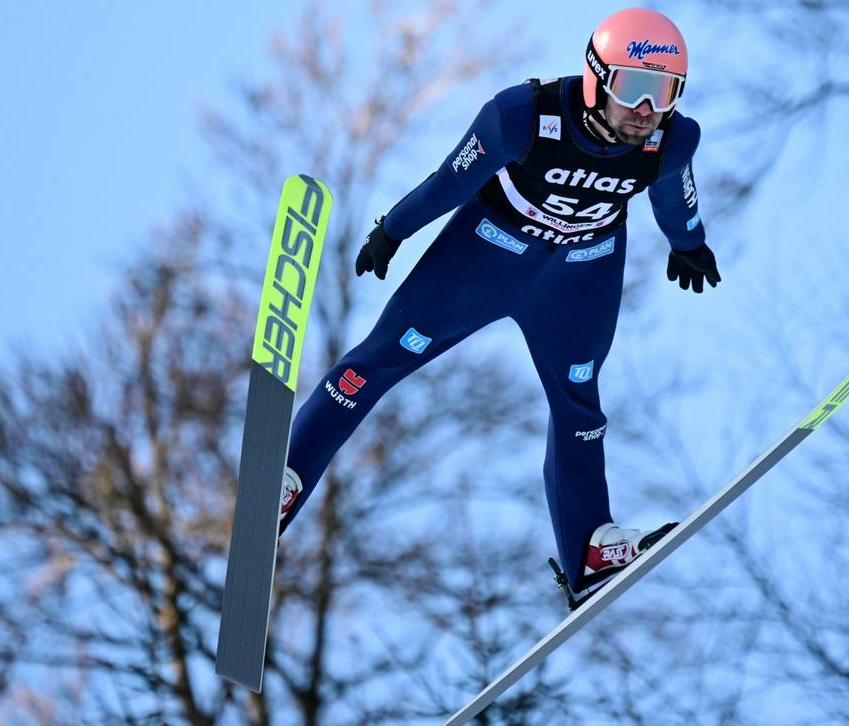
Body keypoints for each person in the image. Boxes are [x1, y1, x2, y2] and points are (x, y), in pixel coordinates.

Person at [277, 7, 719, 608]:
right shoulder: (521, 116)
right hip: (485, 258)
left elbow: (674, 195)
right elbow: (450, 181)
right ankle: (289, 478)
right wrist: (394, 229)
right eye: (633, 87)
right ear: (595, 78)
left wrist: (689, 245)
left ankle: (590, 549)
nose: (647, 108)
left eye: (663, 92)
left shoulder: (670, 140)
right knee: (379, 360)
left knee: (579, 404)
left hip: (578, 277)